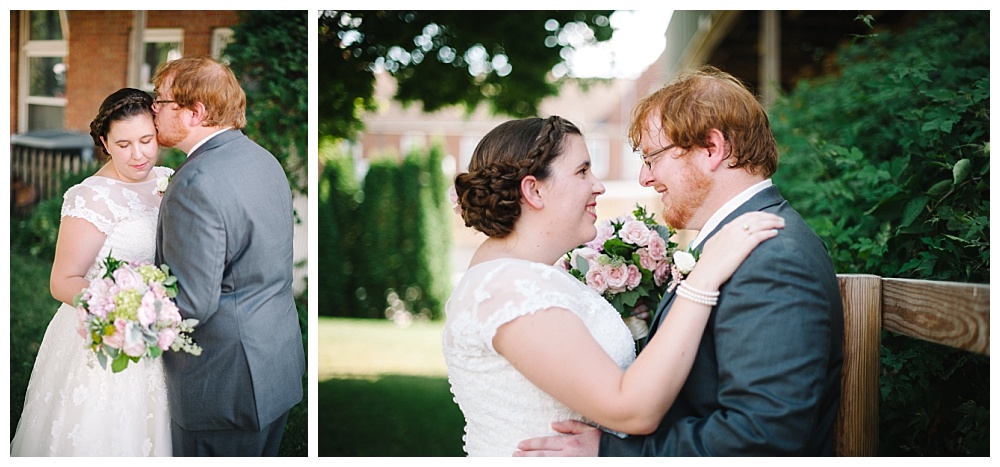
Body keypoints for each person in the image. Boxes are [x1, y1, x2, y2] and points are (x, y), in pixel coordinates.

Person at [515, 66, 844, 456]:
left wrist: (612, 454)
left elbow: (762, 438)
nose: (644, 177)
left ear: (711, 149)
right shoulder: (745, 244)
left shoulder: (773, 260)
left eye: (652, 158)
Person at [443, 115, 786, 456]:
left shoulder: (531, 277)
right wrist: (704, 277)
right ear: (534, 190)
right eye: (582, 171)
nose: (598, 185)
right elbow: (631, 410)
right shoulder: (511, 288)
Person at [151, 56, 305, 456]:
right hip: (273, 364)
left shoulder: (195, 182)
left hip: (221, 383)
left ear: (195, 112)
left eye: (160, 101)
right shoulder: (263, 160)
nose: (153, 110)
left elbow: (192, 302)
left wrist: (124, 313)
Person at [10, 88, 174, 456]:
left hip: (158, 327)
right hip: (105, 331)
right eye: (124, 143)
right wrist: (121, 310)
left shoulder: (167, 178)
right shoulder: (90, 198)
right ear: (104, 141)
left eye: (147, 140)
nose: (138, 154)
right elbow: (62, 281)